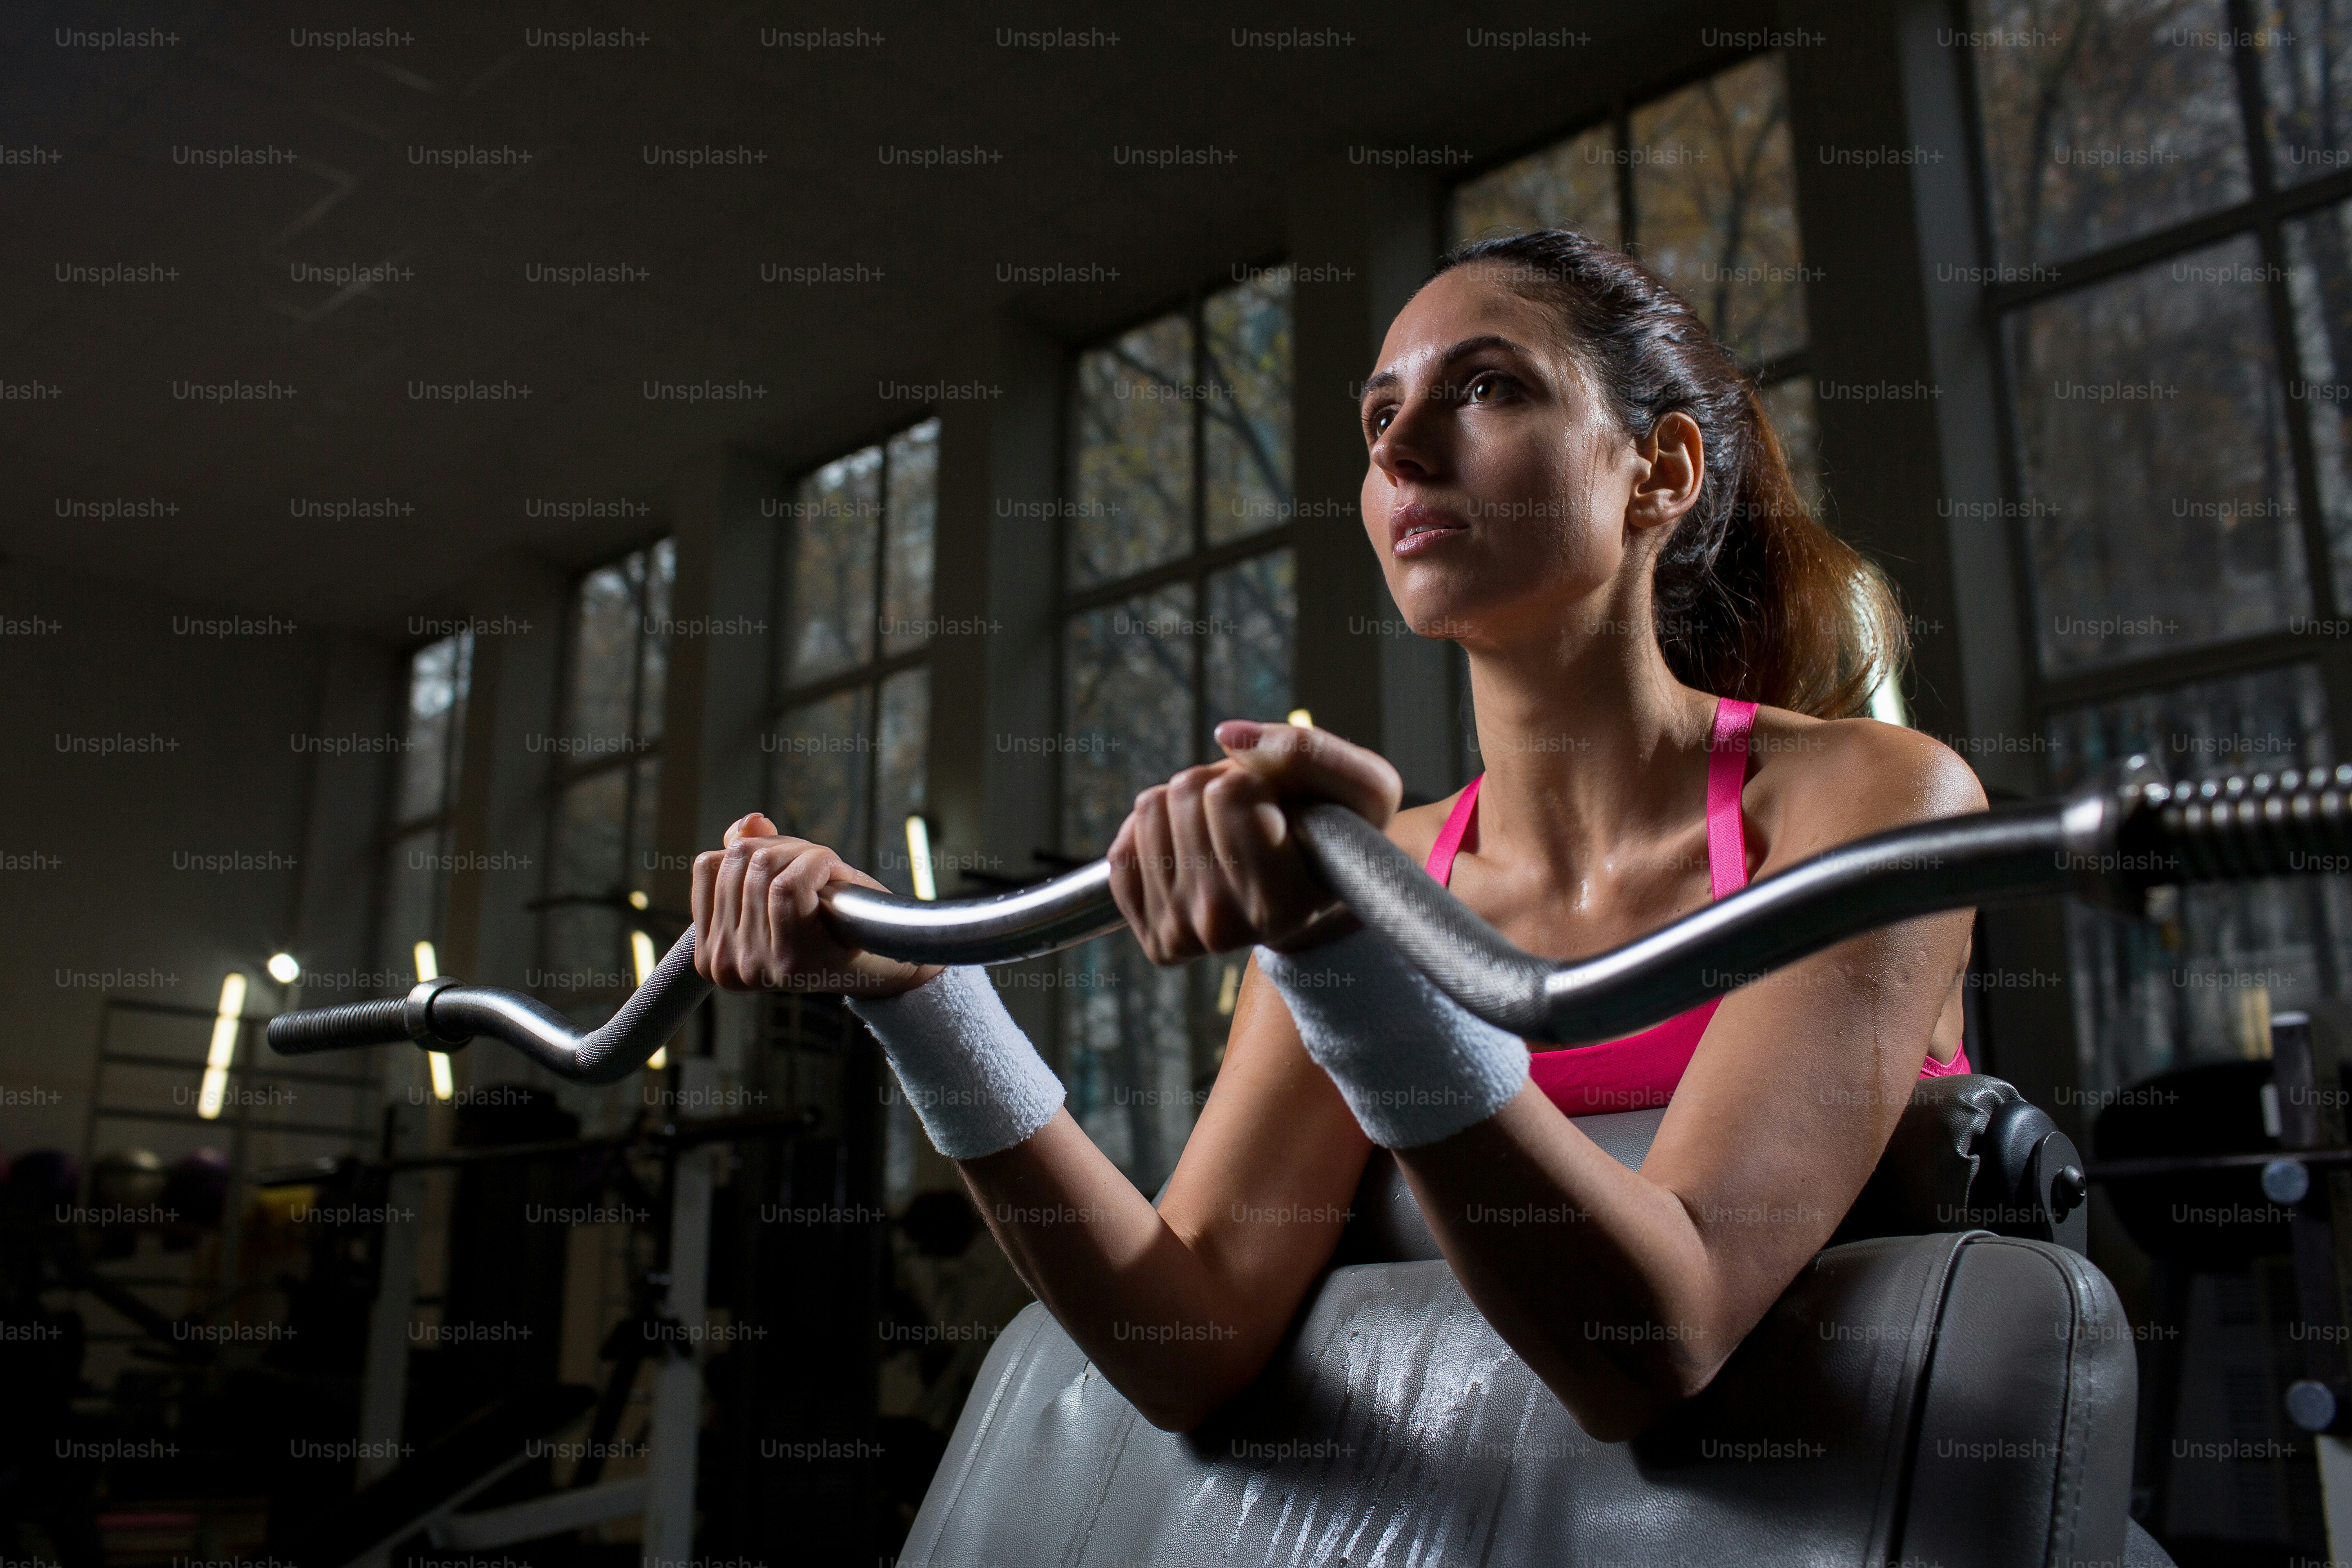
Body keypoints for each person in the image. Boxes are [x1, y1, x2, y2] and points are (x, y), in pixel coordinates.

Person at [690, 229, 1985, 1443]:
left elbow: (1657, 1342)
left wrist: (1346, 962)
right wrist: (927, 1006)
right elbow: (1187, 1336)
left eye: (1485, 389)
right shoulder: (1380, 872)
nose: (1402, 452)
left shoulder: (1874, 804)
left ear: (1662, 470)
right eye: (1377, 418)